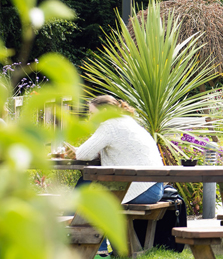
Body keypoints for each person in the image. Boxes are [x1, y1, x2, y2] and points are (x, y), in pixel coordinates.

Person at [65, 95, 164, 255]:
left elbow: (83, 153)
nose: (90, 117)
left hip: (142, 189)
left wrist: (75, 151)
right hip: (152, 186)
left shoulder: (110, 125)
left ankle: (92, 249)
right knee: (87, 185)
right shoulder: (125, 121)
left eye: (92, 113)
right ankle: (97, 248)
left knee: (87, 196)